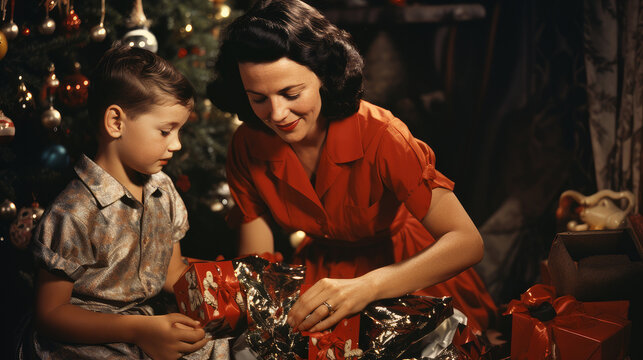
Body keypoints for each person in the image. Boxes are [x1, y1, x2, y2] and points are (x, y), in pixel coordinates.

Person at [210, 0, 497, 335]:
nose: (276, 114)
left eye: (290, 93)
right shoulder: (247, 144)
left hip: (406, 269)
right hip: (317, 272)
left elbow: (468, 242)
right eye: (258, 98)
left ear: (323, 77)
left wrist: (368, 287)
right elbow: (256, 259)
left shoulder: (382, 135)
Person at [20, 45, 208, 359]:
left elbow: (173, 273)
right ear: (116, 123)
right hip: (86, 341)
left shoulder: (163, 189)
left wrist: (223, 296)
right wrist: (139, 330)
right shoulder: (73, 213)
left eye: (180, 131)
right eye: (165, 131)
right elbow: (51, 315)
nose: (176, 144)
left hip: (148, 324)